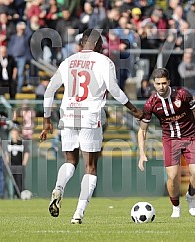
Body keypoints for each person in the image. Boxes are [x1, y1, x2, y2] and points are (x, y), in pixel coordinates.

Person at [39, 29, 143, 224]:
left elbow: (49, 90)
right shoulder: (104, 61)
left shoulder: (68, 61)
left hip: (68, 116)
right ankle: (78, 213)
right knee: (90, 167)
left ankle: (58, 188)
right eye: (102, 43)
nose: (103, 46)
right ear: (95, 44)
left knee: (70, 161)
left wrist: (46, 120)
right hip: (89, 116)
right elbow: (114, 89)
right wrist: (133, 109)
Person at [137, 68, 195, 218]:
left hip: (190, 137)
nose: (161, 87)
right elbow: (142, 130)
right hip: (170, 140)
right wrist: (141, 153)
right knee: (173, 176)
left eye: (164, 83)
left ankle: (190, 196)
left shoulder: (182, 94)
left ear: (168, 82)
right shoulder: (151, 103)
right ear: (153, 84)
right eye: (158, 84)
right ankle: (176, 207)